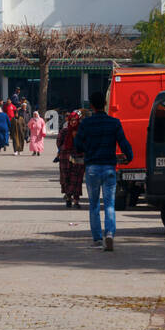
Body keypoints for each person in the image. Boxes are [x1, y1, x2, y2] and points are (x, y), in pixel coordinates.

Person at [74, 90, 134, 251]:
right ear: (105, 104)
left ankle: (97, 239)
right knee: (109, 204)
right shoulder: (114, 123)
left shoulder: (86, 124)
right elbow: (124, 142)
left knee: (93, 205)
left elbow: (78, 144)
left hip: (92, 168)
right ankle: (109, 233)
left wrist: (89, 149)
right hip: (109, 167)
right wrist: (129, 156)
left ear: (92, 106)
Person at [55, 111, 85, 209]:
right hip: (65, 158)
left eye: (75, 120)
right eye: (71, 120)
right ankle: (68, 198)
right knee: (66, 178)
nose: (73, 122)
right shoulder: (64, 131)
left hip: (78, 158)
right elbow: (58, 143)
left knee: (77, 179)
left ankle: (76, 200)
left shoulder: (82, 131)